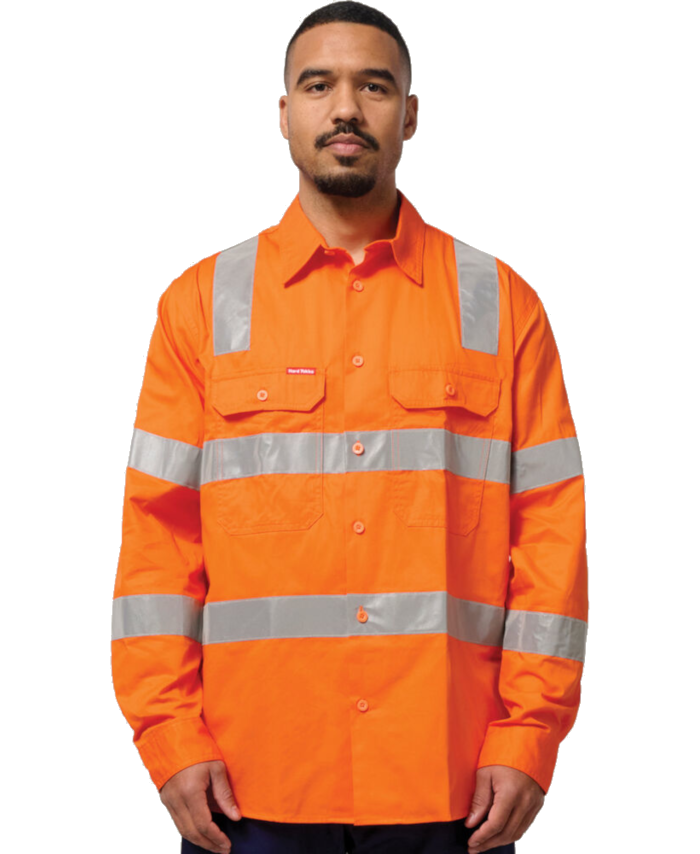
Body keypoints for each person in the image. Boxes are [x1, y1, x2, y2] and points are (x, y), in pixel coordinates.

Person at [110, 2, 589, 852]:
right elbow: (159, 543)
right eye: (317, 85)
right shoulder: (201, 306)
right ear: (283, 113)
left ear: (410, 113)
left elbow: (551, 540)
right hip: (248, 785)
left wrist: (530, 737)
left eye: (373, 86)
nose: (344, 109)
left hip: (450, 782)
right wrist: (167, 736)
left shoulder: (502, 304)